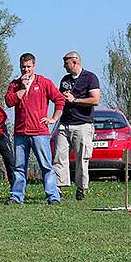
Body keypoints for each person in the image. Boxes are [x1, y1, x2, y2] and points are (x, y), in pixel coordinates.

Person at [5, 52, 65, 204]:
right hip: (20, 133)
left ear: (34, 66)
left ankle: (53, 196)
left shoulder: (44, 83)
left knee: (46, 166)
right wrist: (21, 90)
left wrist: (53, 118)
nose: (25, 70)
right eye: (23, 67)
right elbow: (9, 102)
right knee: (19, 167)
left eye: (28, 67)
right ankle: (17, 196)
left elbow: (59, 99)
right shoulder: (15, 84)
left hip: (39, 133)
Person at [53, 51, 100, 200]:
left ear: (74, 62)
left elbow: (95, 100)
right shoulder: (65, 80)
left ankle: (81, 188)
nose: (63, 66)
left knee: (81, 159)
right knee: (59, 157)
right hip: (64, 124)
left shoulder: (90, 78)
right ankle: (58, 189)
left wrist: (74, 100)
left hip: (83, 125)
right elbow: (61, 100)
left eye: (65, 63)